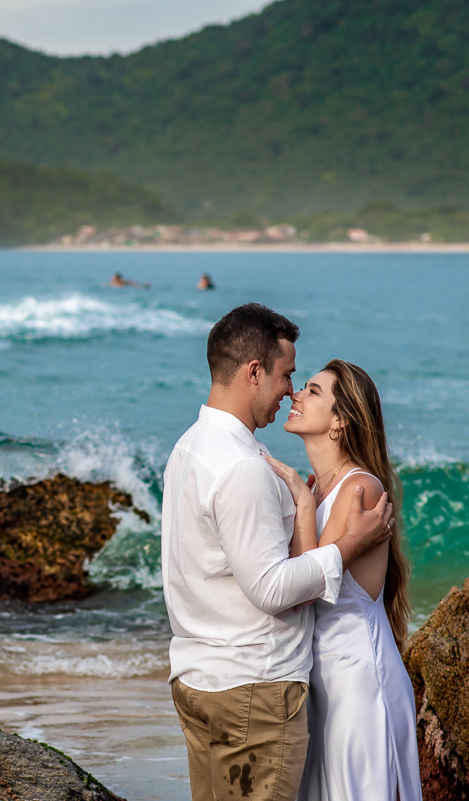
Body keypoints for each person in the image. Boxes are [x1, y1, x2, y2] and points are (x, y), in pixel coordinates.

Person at [161, 304, 394, 801]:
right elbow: (272, 588)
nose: (290, 390)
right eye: (289, 375)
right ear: (253, 372)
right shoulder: (242, 467)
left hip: (201, 677)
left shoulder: (188, 448)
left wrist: (305, 506)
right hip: (251, 689)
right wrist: (349, 542)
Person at [274, 359, 422, 801]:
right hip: (322, 677)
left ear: (339, 421)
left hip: (357, 680)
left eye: (313, 391)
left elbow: (305, 585)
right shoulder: (320, 487)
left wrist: (302, 503)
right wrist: (305, 496)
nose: (296, 395)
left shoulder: (360, 489)